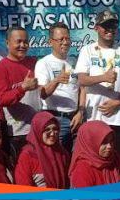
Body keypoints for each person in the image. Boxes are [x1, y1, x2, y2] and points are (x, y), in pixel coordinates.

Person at [74, 10, 120, 164]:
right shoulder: (87, 50)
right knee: (97, 163)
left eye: (113, 25)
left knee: (118, 163)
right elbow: (82, 79)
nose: (110, 29)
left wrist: (118, 102)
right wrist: (103, 77)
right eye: (105, 26)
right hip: (95, 117)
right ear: (97, 28)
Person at [0, 26, 40, 162]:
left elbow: (42, 92)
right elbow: (2, 99)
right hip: (18, 134)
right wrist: (22, 88)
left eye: (25, 42)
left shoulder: (34, 63)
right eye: (18, 42)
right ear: (7, 43)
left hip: (38, 129)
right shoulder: (0, 69)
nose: (22, 45)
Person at [35, 22, 86, 152]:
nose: (65, 42)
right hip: (55, 119)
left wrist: (80, 112)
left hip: (76, 118)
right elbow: (42, 93)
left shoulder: (75, 62)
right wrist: (57, 80)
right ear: (51, 42)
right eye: (60, 39)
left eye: (67, 38)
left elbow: (82, 89)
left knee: (77, 159)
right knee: (58, 159)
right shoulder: (43, 63)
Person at [15, 111, 70, 188]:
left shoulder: (62, 153)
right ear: (38, 130)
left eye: (55, 129)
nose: (52, 134)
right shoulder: (28, 156)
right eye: (47, 130)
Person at [69, 121, 120, 188]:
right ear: (91, 143)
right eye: (104, 142)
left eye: (111, 141)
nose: (109, 146)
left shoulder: (115, 159)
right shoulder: (82, 169)